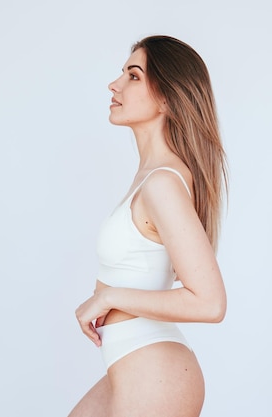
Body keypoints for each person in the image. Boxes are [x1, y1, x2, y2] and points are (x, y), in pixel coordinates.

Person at [69, 35, 227, 417]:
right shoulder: (151, 177)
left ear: (167, 98)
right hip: (131, 367)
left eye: (134, 76)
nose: (115, 84)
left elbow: (210, 302)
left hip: (154, 372)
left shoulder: (162, 184)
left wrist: (110, 297)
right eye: (123, 73)